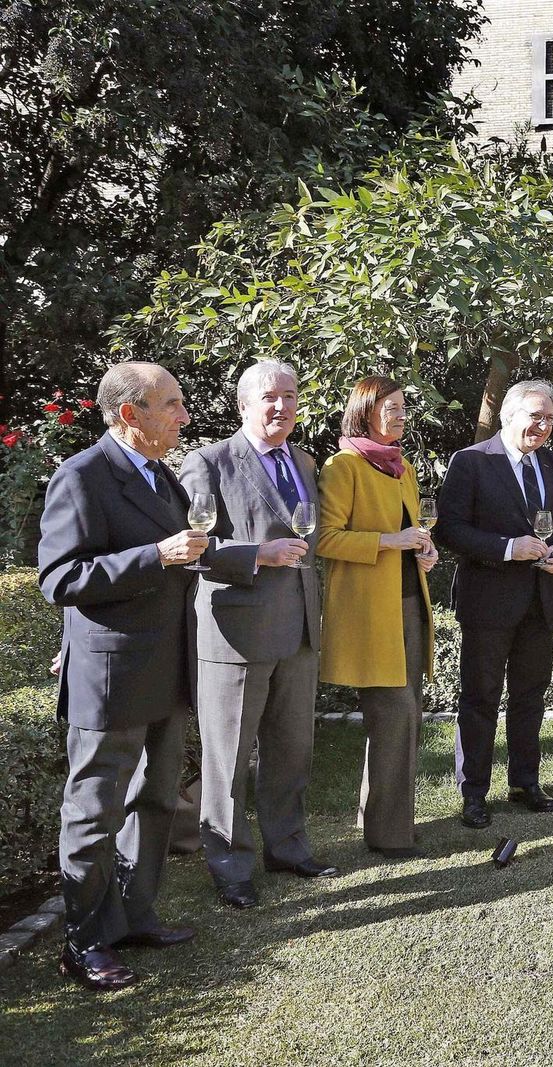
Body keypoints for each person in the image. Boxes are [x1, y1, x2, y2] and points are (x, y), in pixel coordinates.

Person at [39, 362, 214, 990]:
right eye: (172, 404)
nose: (184, 415)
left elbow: (186, 555)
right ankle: (84, 943)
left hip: (167, 671)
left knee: (156, 800)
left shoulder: (162, 474)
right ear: (130, 414)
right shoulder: (82, 476)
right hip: (111, 679)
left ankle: (136, 915)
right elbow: (60, 577)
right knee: (93, 813)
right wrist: (155, 555)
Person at [178, 360, 336, 911]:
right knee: (229, 761)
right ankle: (229, 865)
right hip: (236, 635)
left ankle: (288, 849)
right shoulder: (208, 462)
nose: (281, 407)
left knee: (292, 751)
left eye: (290, 396)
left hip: (298, 631)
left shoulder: (304, 460)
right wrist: (256, 556)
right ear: (243, 405)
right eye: (269, 397)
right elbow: (188, 549)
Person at [435, 379, 553, 828]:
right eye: (535, 415)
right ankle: (473, 793)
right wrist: (506, 548)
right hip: (488, 603)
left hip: (540, 601)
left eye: (550, 418)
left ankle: (525, 782)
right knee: (480, 699)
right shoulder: (472, 462)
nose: (543, 425)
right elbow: (450, 530)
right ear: (507, 415)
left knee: (530, 698)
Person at [316, 376, 438, 859]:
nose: (402, 415)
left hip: (408, 606)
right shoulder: (343, 466)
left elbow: (411, 530)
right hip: (370, 614)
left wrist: (422, 551)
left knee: (405, 718)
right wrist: (390, 543)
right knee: (394, 716)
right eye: (393, 408)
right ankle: (389, 834)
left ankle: (390, 825)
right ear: (366, 410)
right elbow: (323, 538)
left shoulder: (399, 465)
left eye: (404, 407)